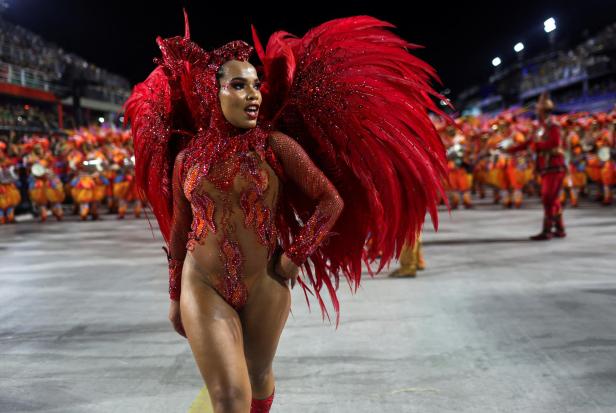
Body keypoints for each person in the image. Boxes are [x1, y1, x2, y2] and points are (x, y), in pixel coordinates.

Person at [125, 13, 448, 412]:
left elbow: (330, 201)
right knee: (229, 397)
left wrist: (295, 256)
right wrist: (175, 295)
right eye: (239, 86)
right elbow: (179, 229)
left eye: (256, 85)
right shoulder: (186, 160)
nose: (253, 95)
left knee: (257, 382)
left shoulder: (276, 147)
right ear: (214, 93)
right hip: (202, 283)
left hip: (265, 284)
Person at [508, 92, 566, 240]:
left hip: (554, 166)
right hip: (545, 167)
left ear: (543, 111)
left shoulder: (553, 126)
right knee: (552, 199)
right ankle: (559, 228)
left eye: (538, 110)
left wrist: (536, 145)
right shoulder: (539, 127)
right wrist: (509, 149)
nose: (536, 113)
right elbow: (527, 143)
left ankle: (547, 230)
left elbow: (554, 143)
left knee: (548, 198)